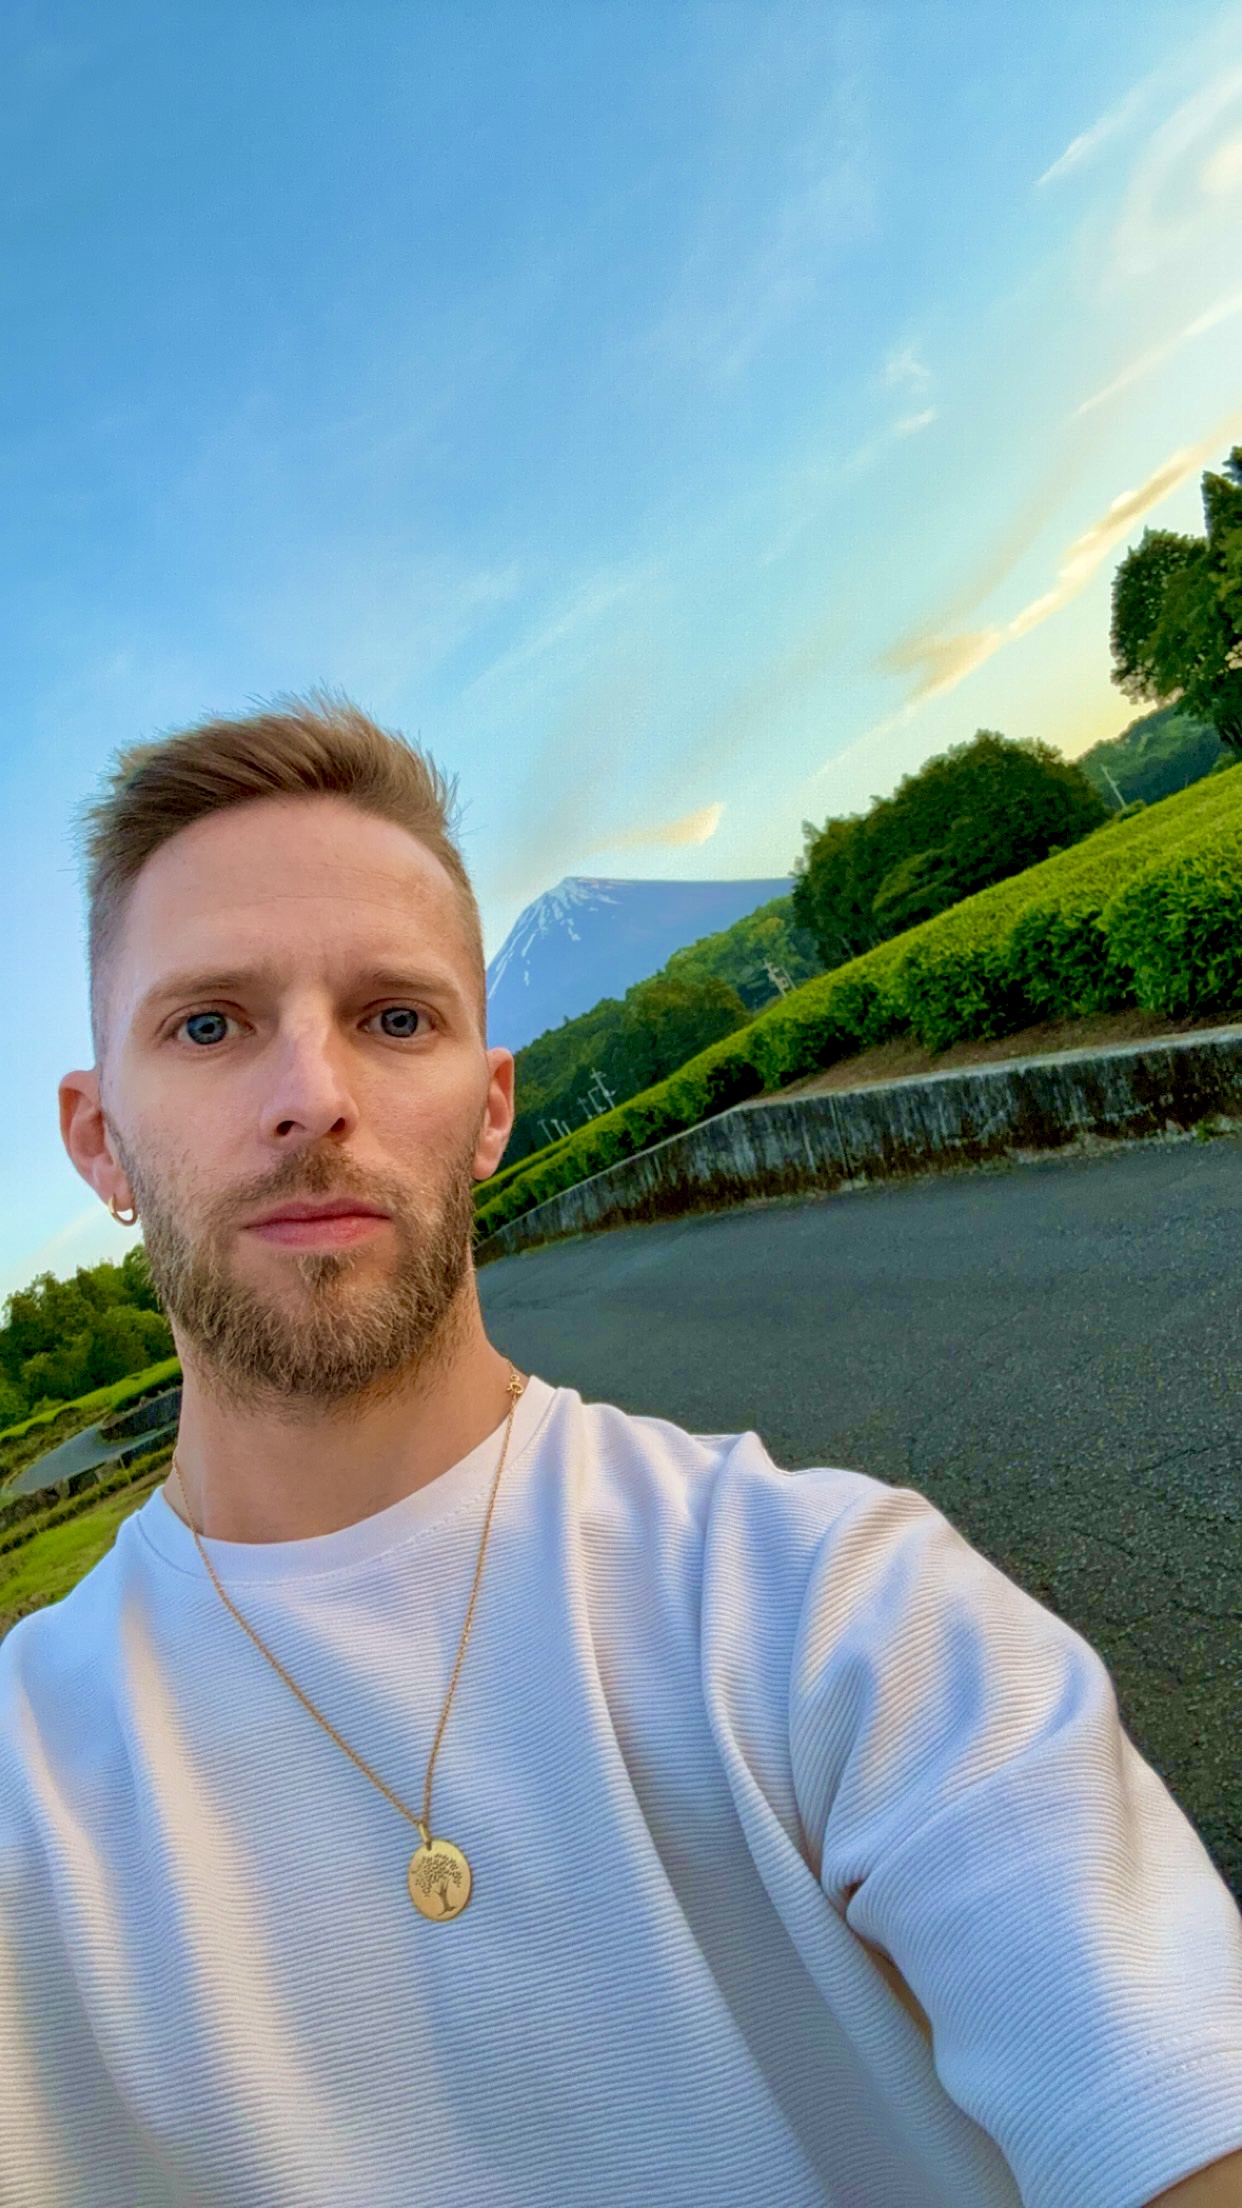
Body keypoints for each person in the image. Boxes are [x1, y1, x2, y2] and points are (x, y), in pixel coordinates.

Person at [1, 693, 1239, 2208]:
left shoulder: (834, 1609)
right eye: (208, 1025)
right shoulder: (23, 1794)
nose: (312, 1097)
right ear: (97, 1139)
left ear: (489, 1113)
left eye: (395, 1019)